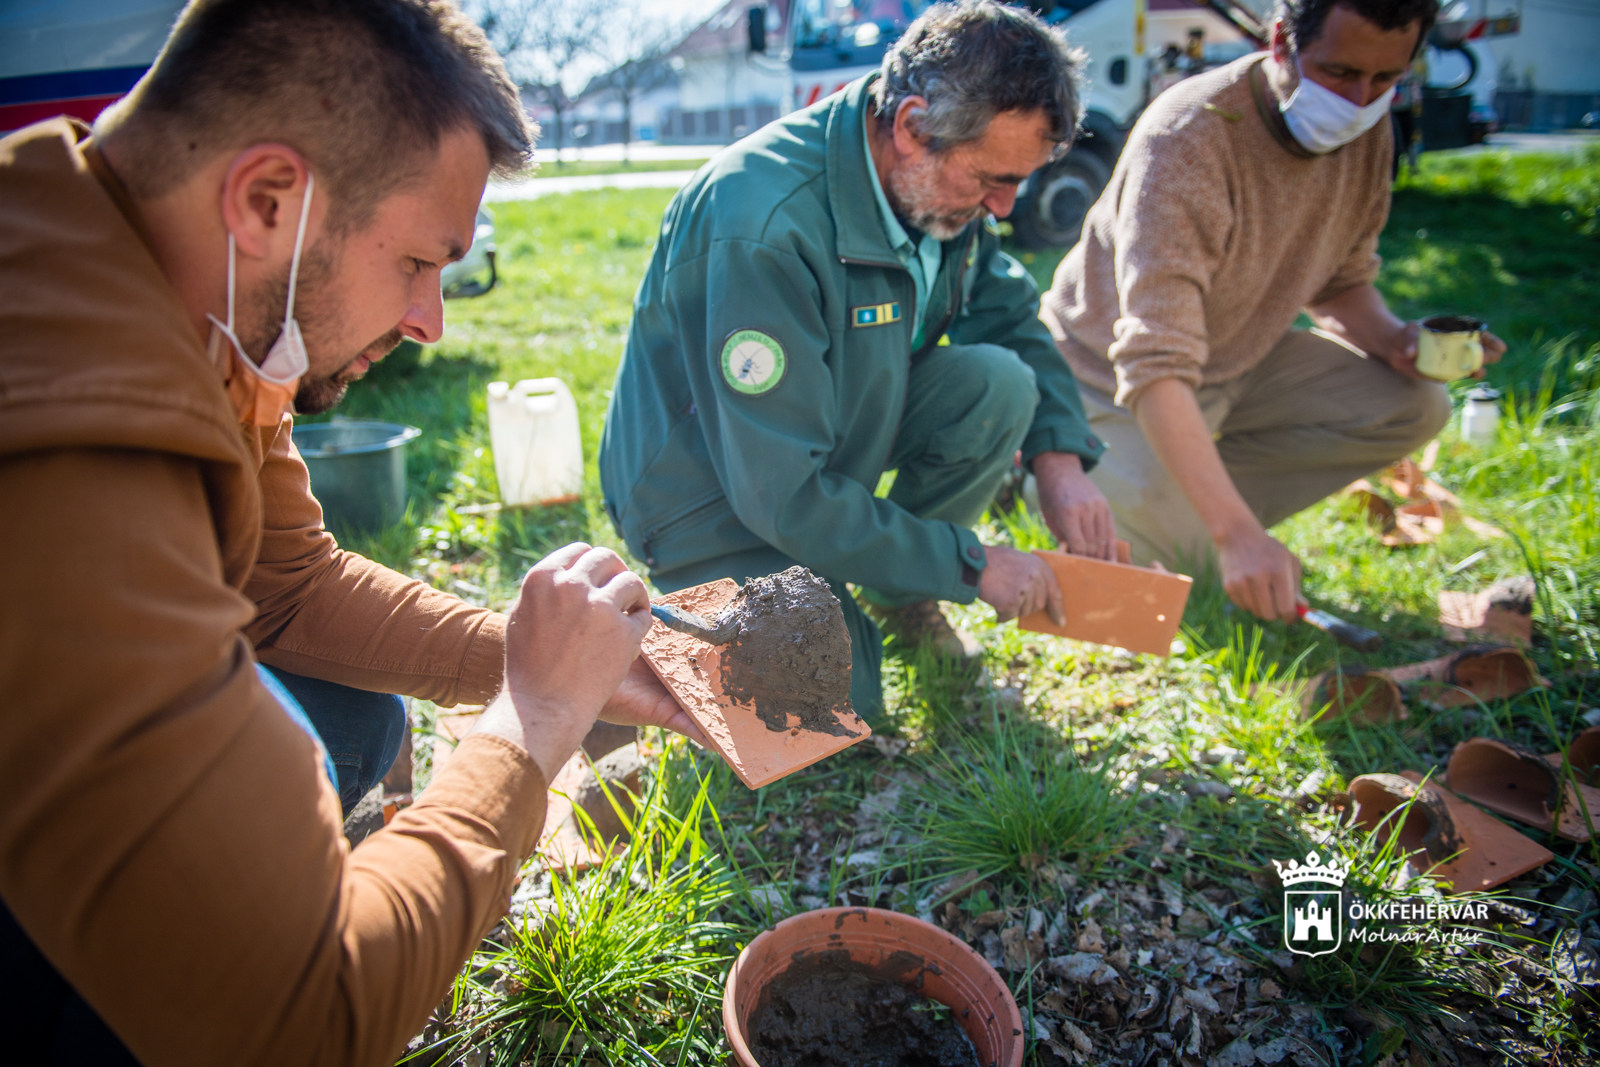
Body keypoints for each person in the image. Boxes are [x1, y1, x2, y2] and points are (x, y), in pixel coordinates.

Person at [0, 1, 698, 1064]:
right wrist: (533, 721)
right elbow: (297, 1018)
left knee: (353, 720)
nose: (433, 320)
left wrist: (548, 663)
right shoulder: (67, 466)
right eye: (420, 262)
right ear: (268, 199)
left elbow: (284, 586)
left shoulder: (195, 301)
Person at [599, 0, 1115, 721]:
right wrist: (972, 563)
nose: (1003, 207)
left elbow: (1012, 319)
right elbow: (778, 493)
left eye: (1019, 180)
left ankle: (895, 585)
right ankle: (635, 642)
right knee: (835, 712)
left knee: (998, 386)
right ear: (910, 127)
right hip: (711, 496)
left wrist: (1059, 464)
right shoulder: (763, 225)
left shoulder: (935, 189)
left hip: (819, 443)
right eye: (991, 178)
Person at [1039, 0, 1505, 621]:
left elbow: (1340, 283)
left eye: (1385, 80)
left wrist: (1399, 343)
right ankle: (1057, 469)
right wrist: (1235, 536)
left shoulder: (1369, 132)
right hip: (1104, 379)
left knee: (1417, 406)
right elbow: (1153, 362)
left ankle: (1186, 502)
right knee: (1184, 574)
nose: (1360, 99)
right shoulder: (1189, 136)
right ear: (1281, 40)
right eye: (1339, 73)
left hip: (1237, 358)